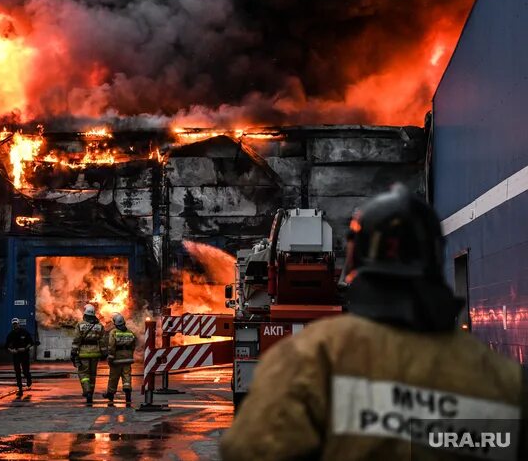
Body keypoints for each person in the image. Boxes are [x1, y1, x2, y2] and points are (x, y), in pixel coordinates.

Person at [221, 184, 526, 461]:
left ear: (356, 259)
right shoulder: (501, 379)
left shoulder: (309, 358)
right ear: (435, 257)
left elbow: (249, 449)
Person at [71, 304, 107, 404]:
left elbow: (76, 340)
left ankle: (87, 391)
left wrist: (73, 352)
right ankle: (91, 392)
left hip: (83, 353)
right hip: (95, 354)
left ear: (85, 314)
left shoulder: (80, 325)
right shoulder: (99, 326)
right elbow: (103, 341)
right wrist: (104, 353)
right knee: (92, 374)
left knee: (83, 373)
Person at [102, 312, 136, 405]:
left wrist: (110, 357)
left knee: (113, 378)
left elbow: (111, 346)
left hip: (116, 359)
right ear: (124, 322)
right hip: (127, 359)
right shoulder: (130, 332)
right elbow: (133, 345)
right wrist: (130, 355)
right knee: (127, 376)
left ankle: (110, 394)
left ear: (115, 323)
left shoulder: (114, 332)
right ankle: (128, 394)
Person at [4, 318, 36, 397]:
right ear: (12, 325)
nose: (15, 325)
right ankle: (20, 389)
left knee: (25, 371)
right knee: (17, 372)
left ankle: (29, 379)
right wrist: (12, 351)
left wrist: (25, 348)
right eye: (14, 324)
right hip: (16, 355)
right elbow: (6, 346)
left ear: (19, 324)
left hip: (24, 354)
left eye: (16, 324)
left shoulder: (24, 332)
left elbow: (31, 343)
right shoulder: (11, 334)